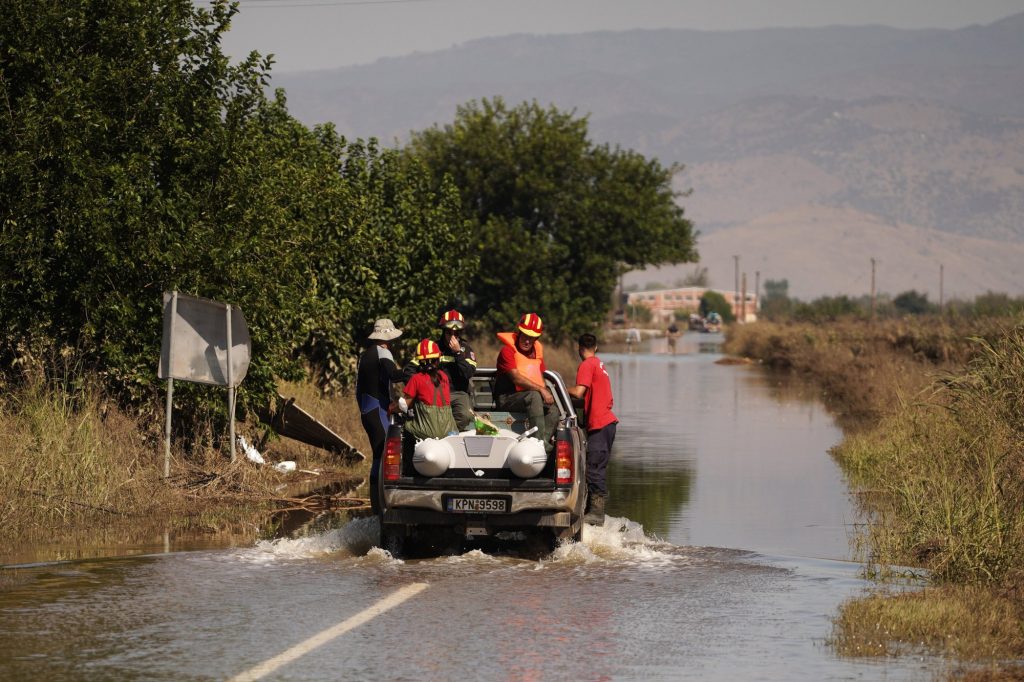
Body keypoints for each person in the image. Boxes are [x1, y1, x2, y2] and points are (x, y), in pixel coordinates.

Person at [567, 333, 618, 525]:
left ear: (580, 348)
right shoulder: (599, 364)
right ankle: (593, 511)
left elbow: (580, 391)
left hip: (600, 423)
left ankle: (597, 513)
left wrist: (560, 388)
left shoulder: (587, 365)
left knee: (594, 468)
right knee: (597, 467)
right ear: (595, 347)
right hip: (608, 423)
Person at [355, 318, 406, 513]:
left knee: (378, 457)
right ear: (387, 337)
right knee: (384, 456)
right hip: (377, 411)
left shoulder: (365, 355)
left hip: (368, 411)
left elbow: (361, 389)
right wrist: (415, 369)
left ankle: (376, 507)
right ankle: (383, 506)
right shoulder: (383, 352)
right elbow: (394, 375)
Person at [494, 312, 559, 453]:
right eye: (524, 336)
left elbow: (540, 377)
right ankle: (538, 440)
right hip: (507, 398)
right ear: (519, 332)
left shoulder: (536, 353)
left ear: (537, 338)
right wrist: (541, 390)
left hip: (528, 398)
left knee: (553, 410)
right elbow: (516, 378)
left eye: (532, 338)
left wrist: (546, 392)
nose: (527, 341)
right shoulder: (507, 351)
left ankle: (542, 445)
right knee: (534, 396)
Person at [406, 309, 477, 432]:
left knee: (465, 415)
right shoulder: (432, 347)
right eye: (449, 332)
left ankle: (449, 434)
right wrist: (423, 385)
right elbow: (409, 370)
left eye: (456, 333)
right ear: (443, 331)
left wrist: (458, 353)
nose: (453, 337)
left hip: (457, 393)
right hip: (434, 392)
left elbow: (468, 373)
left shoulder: (465, 350)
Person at [395, 339, 458, 440]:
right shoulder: (444, 376)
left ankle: (408, 456)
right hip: (449, 430)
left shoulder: (416, 378)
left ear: (419, 361)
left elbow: (403, 405)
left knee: (407, 427)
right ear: (437, 359)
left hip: (428, 432)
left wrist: (391, 408)